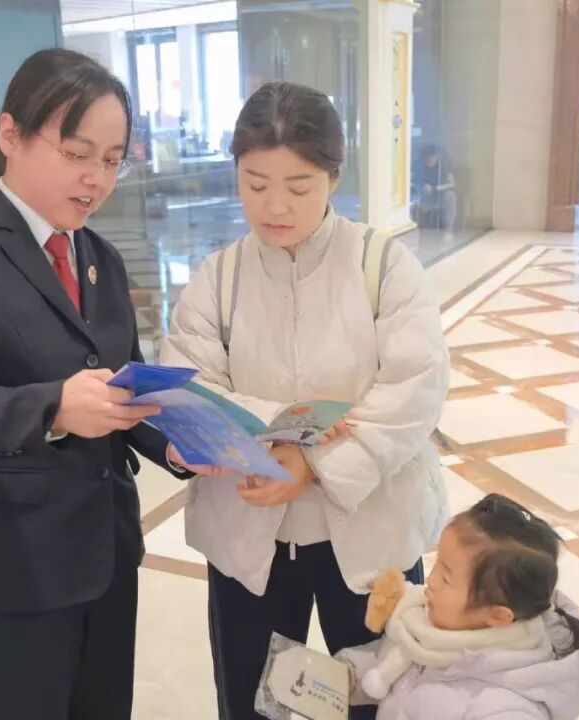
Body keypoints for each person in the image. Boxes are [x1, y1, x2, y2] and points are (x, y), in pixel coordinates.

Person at [0, 48, 217, 719]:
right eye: (76, 153)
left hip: (104, 559)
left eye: (113, 159)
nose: (97, 179)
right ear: (11, 134)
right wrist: (53, 408)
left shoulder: (100, 258)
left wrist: (178, 443)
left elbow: (121, 384)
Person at [161, 81, 451, 720]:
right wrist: (276, 441)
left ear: (334, 177)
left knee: (383, 696)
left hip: (371, 529)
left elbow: (415, 387)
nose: (274, 206)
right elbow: (191, 383)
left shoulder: (383, 265)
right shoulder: (220, 276)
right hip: (249, 535)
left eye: (298, 187)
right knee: (253, 700)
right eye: (255, 183)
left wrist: (316, 464)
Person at [342, 494, 579, 720]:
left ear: (498, 616)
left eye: (446, 577)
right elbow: (406, 669)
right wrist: (349, 675)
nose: (432, 580)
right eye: (437, 564)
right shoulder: (444, 626)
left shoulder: (503, 708)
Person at [413, 145, 458, 232]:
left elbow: (452, 184)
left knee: (450, 196)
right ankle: (421, 230)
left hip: (441, 193)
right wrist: (421, 187)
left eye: (432, 156)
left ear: (437, 156)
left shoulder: (444, 165)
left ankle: (448, 231)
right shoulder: (418, 165)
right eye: (426, 156)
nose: (429, 158)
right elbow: (413, 180)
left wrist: (434, 189)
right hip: (424, 195)